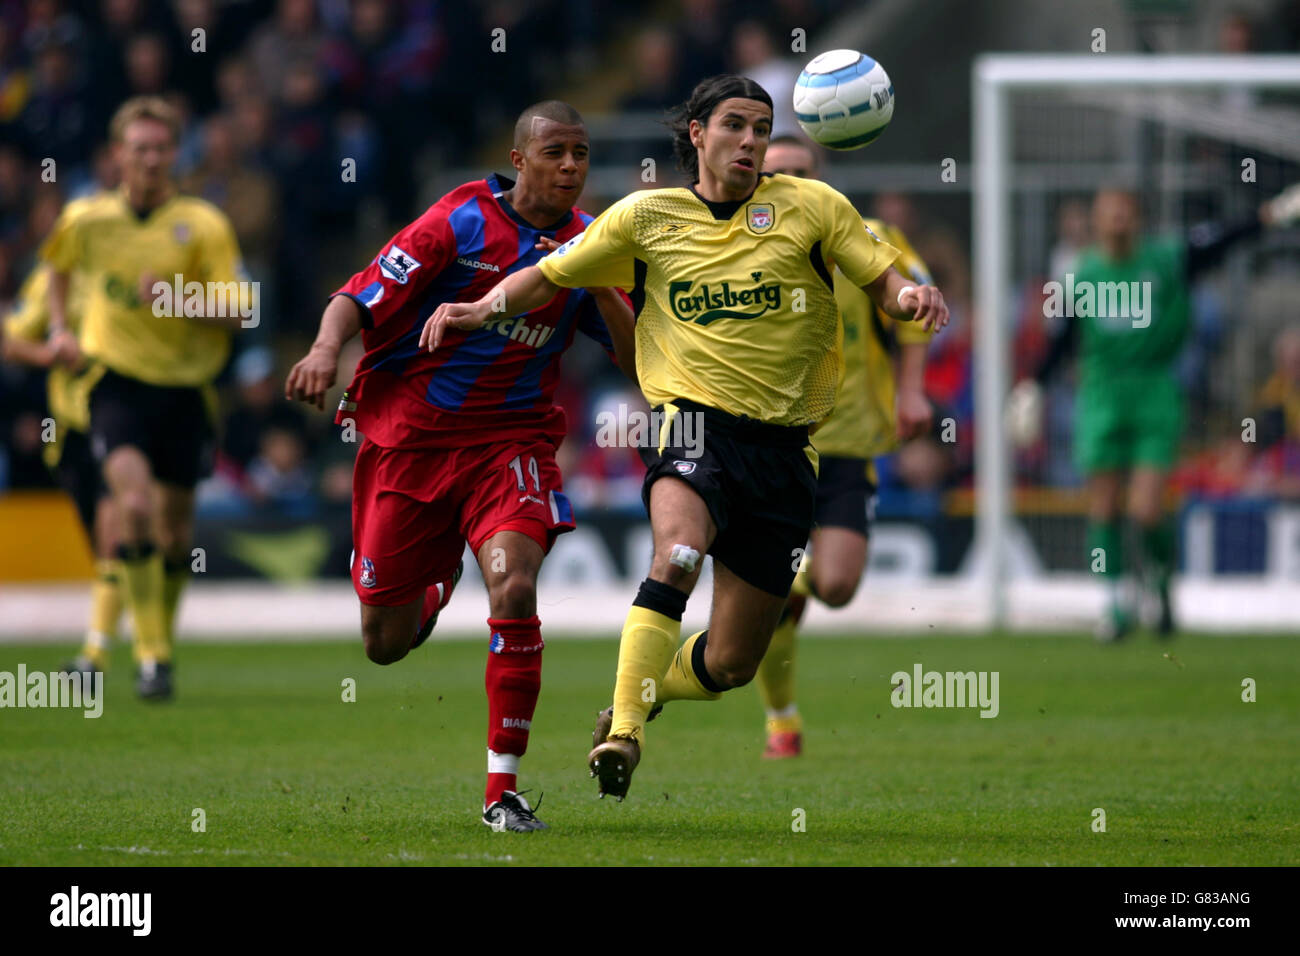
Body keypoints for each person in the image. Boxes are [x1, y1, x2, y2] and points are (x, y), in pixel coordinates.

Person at [422, 75, 948, 801]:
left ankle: (644, 695)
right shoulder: (645, 219)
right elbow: (547, 276)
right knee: (676, 555)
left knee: (732, 663)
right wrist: (480, 307)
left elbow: (885, 279)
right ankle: (624, 736)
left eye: (762, 129)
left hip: (786, 450)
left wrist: (910, 297)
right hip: (692, 425)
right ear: (697, 134)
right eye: (735, 125)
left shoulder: (814, 207)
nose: (752, 142)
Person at [285, 101, 635, 831]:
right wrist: (325, 349)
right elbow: (362, 291)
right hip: (409, 444)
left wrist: (601, 279)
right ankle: (437, 578)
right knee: (384, 645)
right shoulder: (460, 220)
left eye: (581, 153)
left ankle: (501, 790)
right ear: (519, 159)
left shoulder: (590, 245)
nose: (571, 166)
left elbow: (636, 359)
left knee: (513, 584)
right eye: (555, 152)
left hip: (511, 445)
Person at [1012, 183, 1300, 640]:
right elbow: (1063, 339)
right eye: (1109, 214)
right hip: (1101, 395)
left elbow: (1221, 240)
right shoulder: (1082, 275)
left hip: (1154, 392)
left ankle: (1161, 585)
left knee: (1146, 509)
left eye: (1125, 213)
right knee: (1104, 505)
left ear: (1137, 219)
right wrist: (1032, 387)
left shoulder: (1165, 260)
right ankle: (1114, 605)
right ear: (1098, 221)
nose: (1118, 222)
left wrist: (1268, 215)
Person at [42, 96, 248, 699]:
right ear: (117, 156)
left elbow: (241, 311)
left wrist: (179, 298)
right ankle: (152, 657)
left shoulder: (203, 224)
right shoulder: (86, 219)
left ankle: (158, 641)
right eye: (140, 149)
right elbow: (55, 267)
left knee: (177, 536)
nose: (152, 159)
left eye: (162, 148)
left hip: (185, 390)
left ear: (176, 154)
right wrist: (58, 328)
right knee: (131, 502)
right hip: (117, 382)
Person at [753, 136, 935, 758]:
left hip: (849, 438)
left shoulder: (867, 233)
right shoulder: (739, 240)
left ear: (822, 175)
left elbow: (913, 306)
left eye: (803, 171)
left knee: (833, 587)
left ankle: (784, 586)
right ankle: (782, 720)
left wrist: (912, 392)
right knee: (774, 604)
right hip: (770, 444)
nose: (792, 182)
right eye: (778, 173)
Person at [1, 264, 122, 677]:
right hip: (71, 429)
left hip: (127, 421)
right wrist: (50, 354)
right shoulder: (50, 281)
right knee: (101, 540)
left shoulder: (138, 271)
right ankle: (137, 637)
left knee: (115, 530)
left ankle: (105, 655)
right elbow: (10, 343)